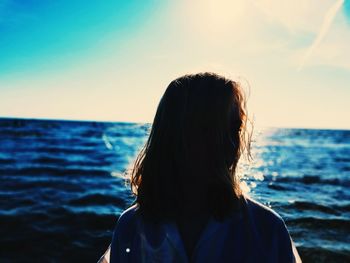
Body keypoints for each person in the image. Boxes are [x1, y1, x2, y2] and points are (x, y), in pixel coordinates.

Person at [99, 72, 301, 263]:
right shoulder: (132, 227)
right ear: (175, 135)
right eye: (211, 129)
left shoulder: (266, 229)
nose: (231, 143)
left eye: (235, 129)